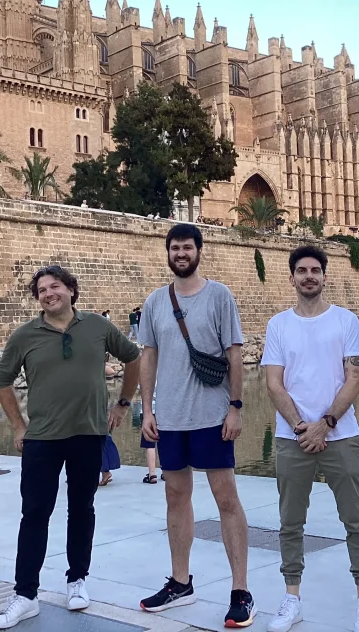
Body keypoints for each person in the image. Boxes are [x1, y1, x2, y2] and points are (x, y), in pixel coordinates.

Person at [0, 265, 141, 630]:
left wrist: (123, 403)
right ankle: (25, 595)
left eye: (54, 286)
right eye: (41, 290)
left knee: (82, 509)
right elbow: (2, 380)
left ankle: (77, 580)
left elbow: (133, 357)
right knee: (34, 515)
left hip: (88, 435)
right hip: (42, 438)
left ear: (71, 290)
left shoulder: (98, 327)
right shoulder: (25, 335)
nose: (48, 293)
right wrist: (17, 424)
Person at [137, 224, 253, 626]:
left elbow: (234, 355)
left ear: (199, 251)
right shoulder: (155, 301)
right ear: (167, 253)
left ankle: (240, 589)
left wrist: (236, 406)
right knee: (175, 496)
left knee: (226, 499)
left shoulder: (219, 296)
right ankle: (180, 582)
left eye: (187, 246)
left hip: (211, 416)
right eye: (175, 247)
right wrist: (147, 411)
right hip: (169, 418)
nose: (181, 253)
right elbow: (148, 357)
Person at [262, 245, 359, 632]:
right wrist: (300, 426)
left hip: (341, 435)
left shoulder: (345, 321)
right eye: (302, 270)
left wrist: (324, 424)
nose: (309, 276)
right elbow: (273, 384)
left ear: (324, 276)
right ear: (292, 277)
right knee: (290, 522)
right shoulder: (278, 324)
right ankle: (291, 597)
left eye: (315, 270)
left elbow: (355, 377)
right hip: (291, 437)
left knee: (355, 520)